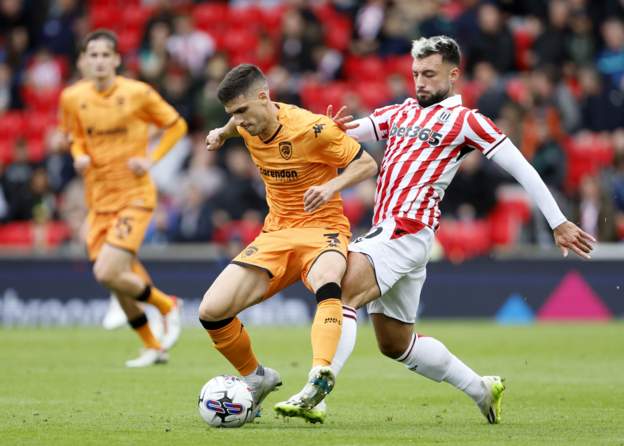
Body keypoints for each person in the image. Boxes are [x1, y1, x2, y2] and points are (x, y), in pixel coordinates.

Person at [275, 35, 595, 424]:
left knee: (342, 290)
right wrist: (326, 129)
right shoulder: (400, 112)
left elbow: (521, 167)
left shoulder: (467, 121)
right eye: (415, 74)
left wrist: (557, 220)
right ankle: (481, 388)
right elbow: (342, 134)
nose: (421, 81)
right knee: (396, 344)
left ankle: (316, 389)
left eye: (429, 73)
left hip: (406, 228)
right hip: (396, 234)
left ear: (454, 74)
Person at [199, 64, 377, 417]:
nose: (239, 120)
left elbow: (367, 164)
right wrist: (221, 133)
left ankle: (319, 373)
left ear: (264, 97)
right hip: (276, 233)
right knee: (211, 311)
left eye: (242, 111)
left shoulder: (313, 129)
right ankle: (256, 377)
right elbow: (235, 125)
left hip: (322, 229)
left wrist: (330, 187)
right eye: (231, 114)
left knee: (329, 282)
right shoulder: (244, 124)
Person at [60, 29, 188, 367]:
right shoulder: (72, 97)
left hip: (135, 194)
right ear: (83, 61)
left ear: (116, 60)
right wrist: (78, 155)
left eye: (106, 55)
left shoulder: (138, 93)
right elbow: (73, 135)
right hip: (98, 199)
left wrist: (151, 159)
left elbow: (176, 125)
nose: (100, 61)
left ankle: (167, 305)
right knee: (119, 281)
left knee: (106, 272)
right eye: (93, 55)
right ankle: (153, 346)